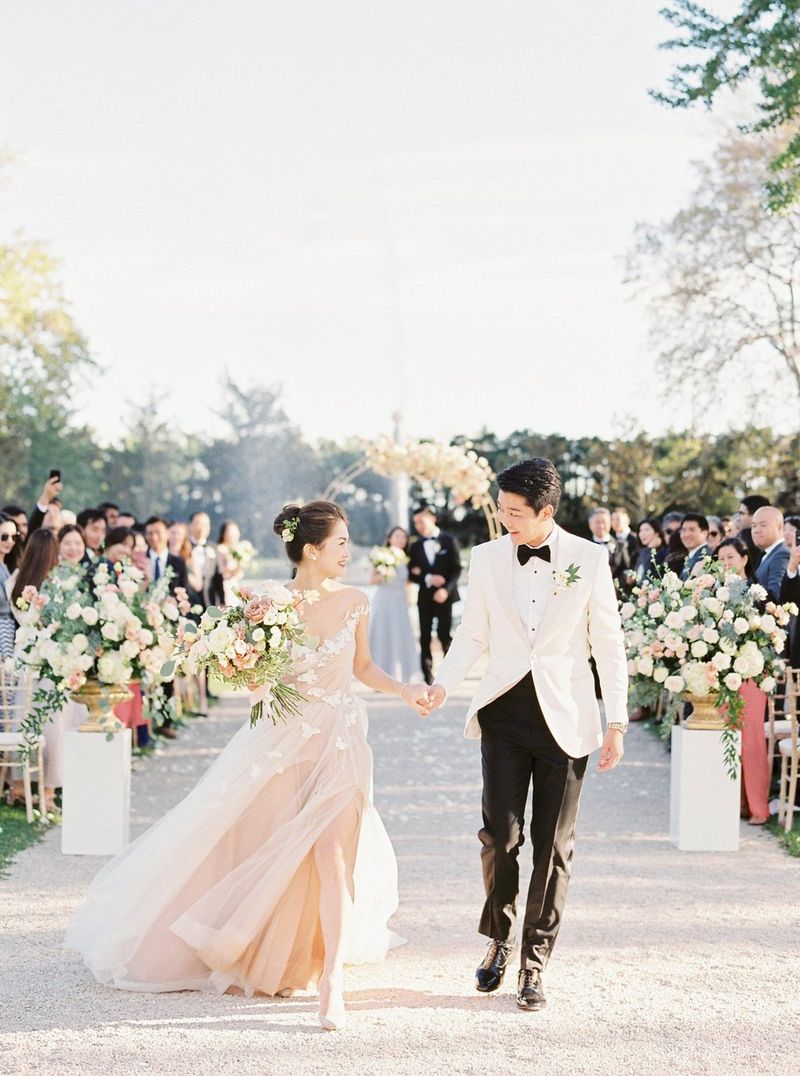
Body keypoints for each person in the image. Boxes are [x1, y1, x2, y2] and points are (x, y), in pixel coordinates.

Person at [66, 500, 430, 1031]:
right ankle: (257, 947)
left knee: (333, 855)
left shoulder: (356, 601)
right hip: (281, 741)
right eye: (342, 544)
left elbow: (364, 666)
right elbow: (250, 678)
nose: (350, 553)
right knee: (259, 845)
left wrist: (405, 690)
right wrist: (246, 666)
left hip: (342, 742)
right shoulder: (267, 604)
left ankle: (332, 981)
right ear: (311, 550)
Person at [426, 458, 628, 1012]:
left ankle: (534, 963)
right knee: (500, 835)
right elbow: (472, 634)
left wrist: (616, 720)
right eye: (502, 509)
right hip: (504, 713)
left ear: (546, 510)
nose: (506, 520)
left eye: (516, 513)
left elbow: (609, 643)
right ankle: (499, 937)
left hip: (567, 717)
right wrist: (442, 685)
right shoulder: (487, 557)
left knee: (554, 848)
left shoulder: (589, 559)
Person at [9, 530, 87, 811]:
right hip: (50, 658)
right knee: (54, 725)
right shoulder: (54, 582)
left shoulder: (15, 582)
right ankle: (47, 791)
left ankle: (20, 786)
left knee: (27, 720)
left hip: (27, 658)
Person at [716, 537, 771, 825]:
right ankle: (735, 801)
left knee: (750, 742)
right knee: (727, 740)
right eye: (721, 558)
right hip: (724, 675)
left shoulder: (756, 592)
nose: (726, 563)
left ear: (744, 558)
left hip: (751, 673)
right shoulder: (715, 591)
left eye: (730, 557)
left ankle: (759, 806)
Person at [407, 506, 461, 685]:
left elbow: (456, 569)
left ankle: (450, 673)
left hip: (445, 597)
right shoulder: (414, 546)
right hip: (424, 598)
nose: (418, 526)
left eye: (421, 521)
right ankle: (428, 676)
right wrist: (428, 577)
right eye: (416, 523)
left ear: (433, 519)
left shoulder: (448, 540)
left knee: (444, 634)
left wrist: (445, 589)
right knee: (424, 637)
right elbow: (412, 573)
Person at [368, 527, 419, 683]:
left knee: (400, 635)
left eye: (404, 537)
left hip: (400, 601)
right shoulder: (381, 555)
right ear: (390, 538)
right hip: (384, 600)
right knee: (383, 635)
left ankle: (401, 675)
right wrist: (384, 571)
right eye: (397, 536)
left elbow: (407, 580)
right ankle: (380, 677)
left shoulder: (406, 558)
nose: (400, 540)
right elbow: (372, 580)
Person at [751, 505, 790, 603]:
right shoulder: (766, 553)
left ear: (780, 527)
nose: (756, 530)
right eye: (754, 526)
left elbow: (775, 596)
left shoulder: (782, 554)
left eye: (763, 525)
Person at [144, 517, 189, 594]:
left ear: (167, 533)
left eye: (158, 532)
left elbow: (185, 592)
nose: (154, 538)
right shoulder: (141, 560)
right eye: (150, 533)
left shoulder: (179, 563)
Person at [212, 520, 245, 607]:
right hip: (223, 587)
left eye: (235, 531)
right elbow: (222, 572)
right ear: (223, 533)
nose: (233, 535)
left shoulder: (237, 550)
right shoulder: (221, 549)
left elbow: (239, 575)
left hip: (235, 586)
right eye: (230, 531)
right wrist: (237, 567)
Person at [0, 514, 20, 657]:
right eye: (4, 536)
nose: (10, 541)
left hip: (11, 632)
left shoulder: (9, 567)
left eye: (14, 536)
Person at [610, 506, 639, 592]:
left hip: (632, 585)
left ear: (627, 520)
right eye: (613, 519)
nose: (615, 522)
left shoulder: (636, 539)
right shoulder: (610, 539)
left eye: (618, 519)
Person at [738, 494, 770, 570]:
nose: (739, 518)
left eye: (742, 513)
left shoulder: (745, 535)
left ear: (755, 514)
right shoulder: (744, 534)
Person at [634, 517, 669, 582]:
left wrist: (650, 549)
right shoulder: (642, 551)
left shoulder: (663, 552)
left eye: (646, 530)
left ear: (657, 533)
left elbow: (649, 574)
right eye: (640, 531)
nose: (642, 534)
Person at [679, 513, 710, 579]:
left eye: (692, 530)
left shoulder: (705, 557)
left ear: (704, 533)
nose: (686, 535)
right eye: (683, 530)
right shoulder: (691, 556)